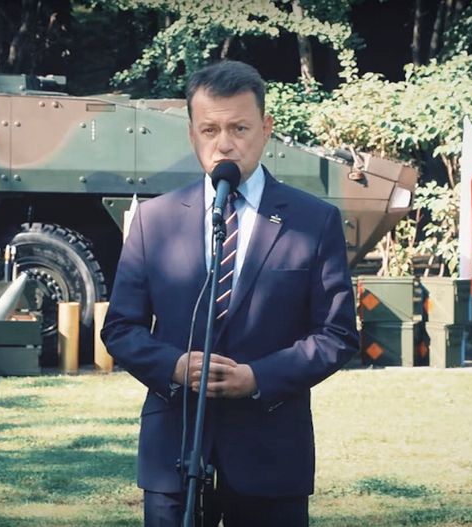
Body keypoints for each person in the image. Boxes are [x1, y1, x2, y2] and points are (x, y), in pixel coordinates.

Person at [101, 60, 359, 526]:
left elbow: (336, 334)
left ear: (266, 129)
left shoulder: (314, 220)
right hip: (175, 450)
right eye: (210, 129)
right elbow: (120, 327)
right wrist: (173, 367)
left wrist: (258, 377)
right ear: (192, 134)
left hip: (271, 455)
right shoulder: (154, 220)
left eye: (239, 128)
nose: (224, 143)